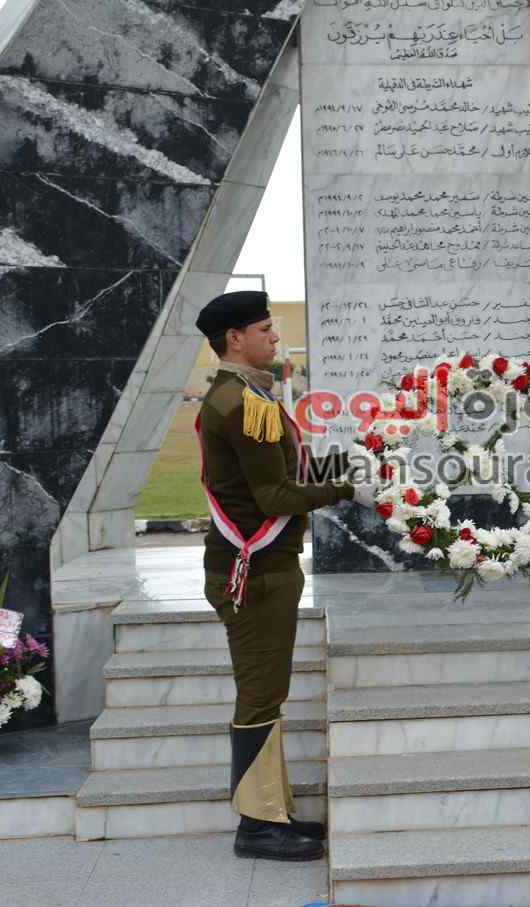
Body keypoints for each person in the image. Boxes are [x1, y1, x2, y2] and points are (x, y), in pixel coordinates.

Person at [194, 290, 374, 861]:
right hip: (256, 572)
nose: (275, 337)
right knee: (260, 695)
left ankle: (273, 809)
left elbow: (284, 470)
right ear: (235, 339)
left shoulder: (243, 396)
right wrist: (348, 490)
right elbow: (274, 496)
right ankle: (256, 826)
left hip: (262, 569)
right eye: (265, 329)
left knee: (267, 692)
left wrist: (351, 463)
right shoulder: (244, 404)